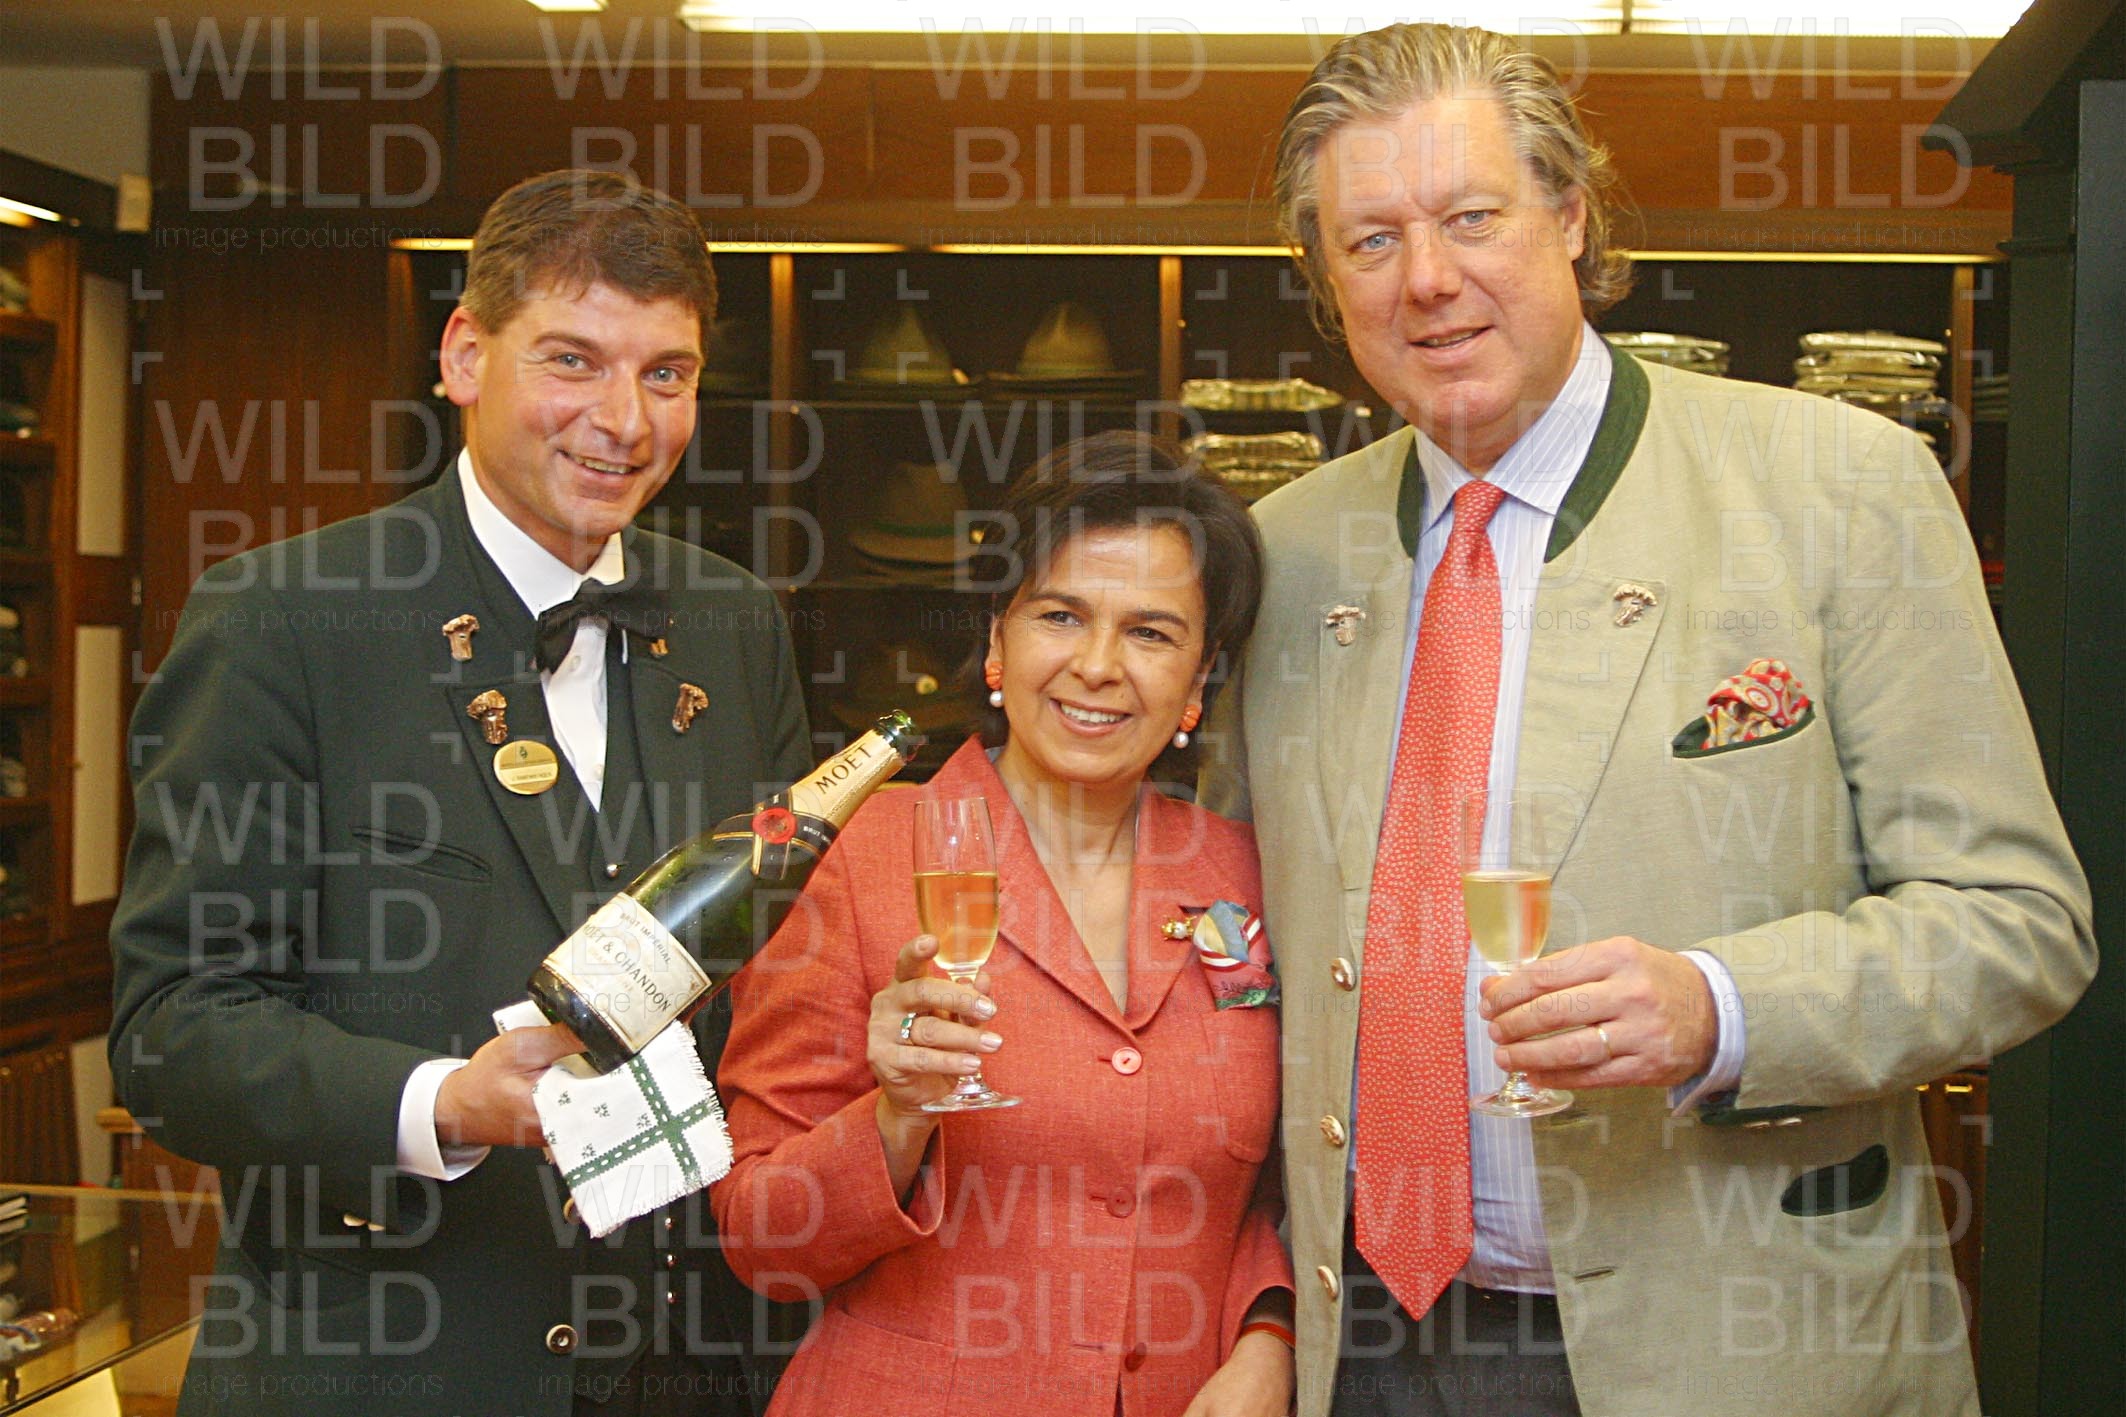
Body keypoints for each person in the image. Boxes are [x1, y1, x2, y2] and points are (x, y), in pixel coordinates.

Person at [1199, 23, 2096, 1417]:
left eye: (1469, 217)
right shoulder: (1282, 549)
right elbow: (1226, 942)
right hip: (1363, 1346)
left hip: (1732, 1346)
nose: (1424, 277)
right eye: (1369, 240)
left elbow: (2017, 924)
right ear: (1326, 281)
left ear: (1570, 215)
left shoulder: (1838, 488)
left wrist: (1719, 1007)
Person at [109, 169, 811, 1417]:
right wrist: (441, 1099)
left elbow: (778, 971)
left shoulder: (733, 621)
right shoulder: (282, 621)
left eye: (666, 374)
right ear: (464, 356)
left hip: (687, 1366)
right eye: (572, 360)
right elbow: (174, 1031)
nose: (624, 420)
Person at [712, 432, 1295, 1417]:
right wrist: (896, 1117)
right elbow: (761, 1242)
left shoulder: (1249, 871)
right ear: (996, 642)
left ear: (1200, 681)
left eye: (1151, 633)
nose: (1097, 665)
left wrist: (1268, 1335)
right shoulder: (860, 859)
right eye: (1060, 615)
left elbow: (1280, 1188)